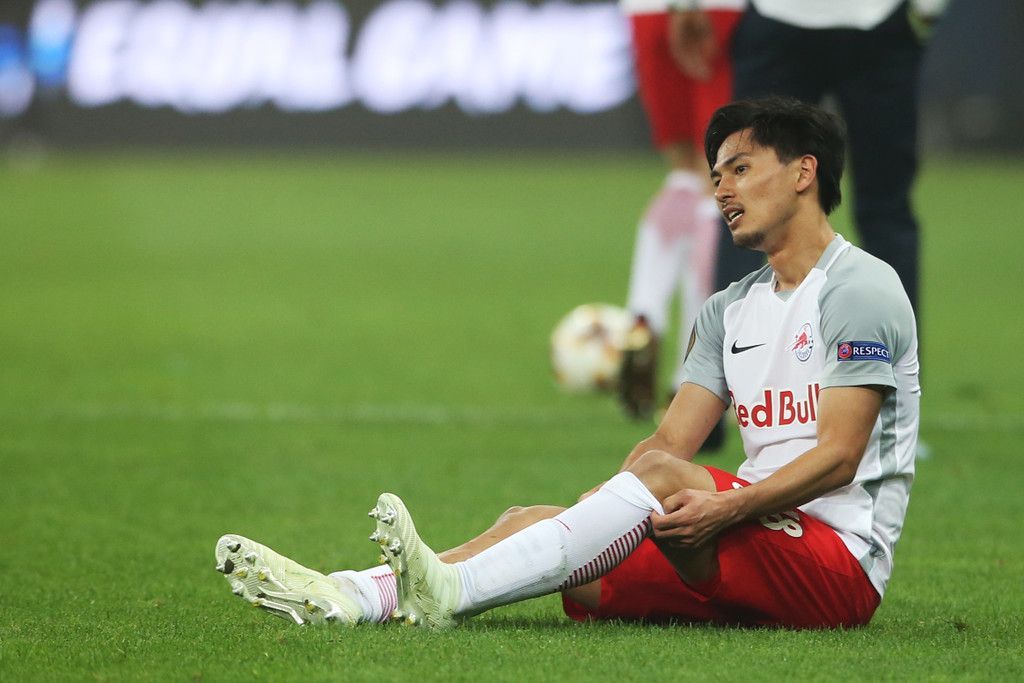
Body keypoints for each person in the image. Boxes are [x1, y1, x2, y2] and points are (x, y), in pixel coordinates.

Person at [215, 97, 920, 629]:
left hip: (838, 564)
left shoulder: (859, 289)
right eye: (715, 176)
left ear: (803, 172)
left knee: (651, 489)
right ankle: (351, 594)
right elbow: (669, 442)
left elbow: (839, 457)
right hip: (744, 540)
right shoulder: (726, 310)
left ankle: (450, 592)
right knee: (531, 521)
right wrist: (603, 509)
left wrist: (724, 505)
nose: (722, 191)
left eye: (740, 169)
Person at [713, 0, 949, 318]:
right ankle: (895, 348)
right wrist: (927, 11)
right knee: (887, 210)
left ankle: (727, 347)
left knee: (745, 202)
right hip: (875, 22)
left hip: (779, 18)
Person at [615, 0, 744, 422]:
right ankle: (693, 374)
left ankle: (643, 315)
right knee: (718, 183)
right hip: (715, 9)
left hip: (646, 11)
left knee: (683, 175)